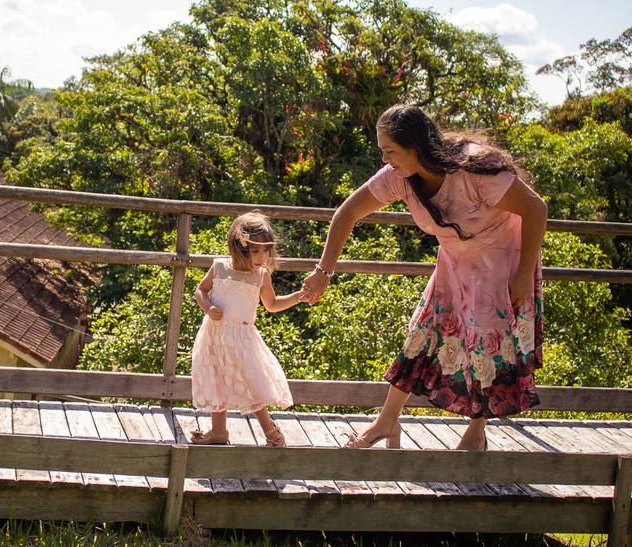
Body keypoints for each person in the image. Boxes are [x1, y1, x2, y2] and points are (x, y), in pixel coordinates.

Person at [303, 104, 547, 451]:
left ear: (415, 147)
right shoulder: (398, 177)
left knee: (483, 348)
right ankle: (386, 422)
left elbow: (536, 208)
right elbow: (348, 213)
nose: (386, 160)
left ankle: (476, 434)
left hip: (501, 264)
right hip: (455, 263)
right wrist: (323, 271)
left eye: (391, 151)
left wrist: (523, 275)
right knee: (422, 334)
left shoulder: (474, 169)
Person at [191, 211, 309, 447]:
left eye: (265, 251)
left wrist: (297, 297)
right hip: (215, 334)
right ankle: (218, 431)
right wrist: (208, 306)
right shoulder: (220, 267)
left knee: (251, 382)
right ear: (239, 248)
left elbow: (272, 304)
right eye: (255, 251)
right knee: (217, 378)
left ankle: (271, 430)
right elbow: (200, 290)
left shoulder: (261, 276)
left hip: (242, 337)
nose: (261, 257)